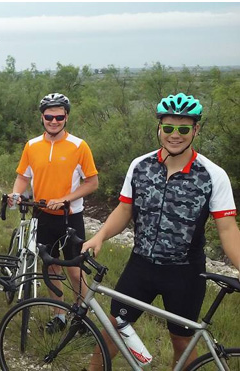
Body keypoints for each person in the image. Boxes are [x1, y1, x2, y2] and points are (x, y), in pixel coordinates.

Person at [82, 93, 240, 369]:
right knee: (113, 331)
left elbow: (227, 231)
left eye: (183, 128)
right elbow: (124, 210)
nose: (174, 135)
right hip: (140, 266)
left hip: (185, 272)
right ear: (159, 129)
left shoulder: (213, 175)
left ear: (196, 130)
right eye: (168, 128)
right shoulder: (140, 166)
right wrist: (100, 235)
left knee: (182, 342)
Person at [7, 92, 99, 332]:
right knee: (50, 267)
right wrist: (16, 194)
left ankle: (81, 317)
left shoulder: (79, 146)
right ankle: (59, 316)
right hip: (42, 215)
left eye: (59, 117)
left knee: (75, 272)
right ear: (42, 118)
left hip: (70, 217)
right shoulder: (32, 146)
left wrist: (65, 199)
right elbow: (22, 177)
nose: (54, 121)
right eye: (49, 116)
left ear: (66, 117)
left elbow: (92, 182)